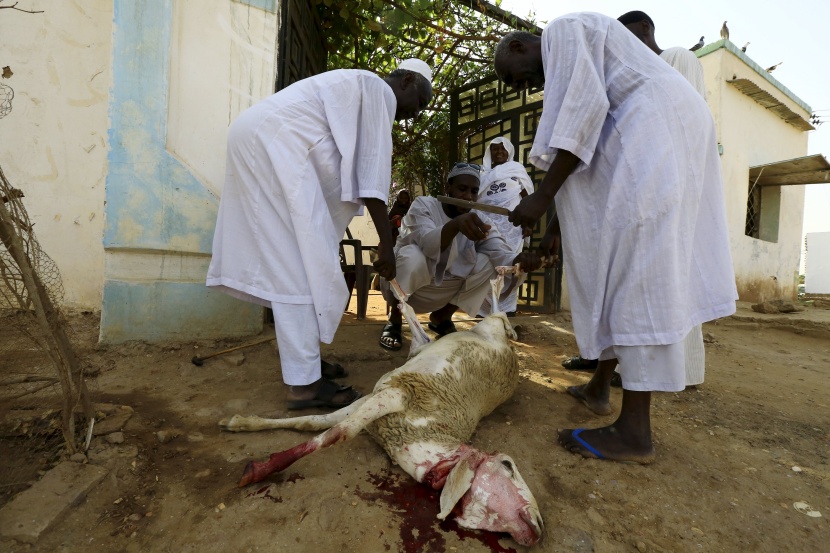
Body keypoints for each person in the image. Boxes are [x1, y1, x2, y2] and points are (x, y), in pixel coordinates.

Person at [494, 13, 737, 464]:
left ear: (519, 46)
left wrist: (541, 198)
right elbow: (588, 166)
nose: (522, 88)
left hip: (656, 130)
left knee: (637, 268)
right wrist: (553, 228)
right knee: (621, 260)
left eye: (514, 78)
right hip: (665, 128)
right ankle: (599, 385)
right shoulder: (588, 49)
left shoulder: (561, 32)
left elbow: (581, 117)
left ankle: (634, 433)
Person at [207, 59, 433, 410]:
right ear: (407, 81)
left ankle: (305, 365)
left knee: (300, 265)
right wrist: (385, 248)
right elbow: (372, 175)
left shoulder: (357, 86)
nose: (415, 114)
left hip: (261, 141)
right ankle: (304, 386)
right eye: (420, 103)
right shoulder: (379, 90)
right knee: (296, 269)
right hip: (272, 146)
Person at [562, 10, 711, 407]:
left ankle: (662, 381)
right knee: (623, 287)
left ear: (644, 30)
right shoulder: (628, 76)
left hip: (665, 185)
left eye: (626, 37)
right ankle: (601, 383)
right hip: (642, 184)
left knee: (653, 293)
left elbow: (683, 124)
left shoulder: (674, 61)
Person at [378, 163, 542, 351]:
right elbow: (428, 244)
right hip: (409, 291)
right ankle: (395, 321)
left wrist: (519, 260)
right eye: (462, 189)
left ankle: (442, 317)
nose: (468, 197)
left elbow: (499, 251)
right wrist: (455, 225)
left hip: (445, 292)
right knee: (412, 254)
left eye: (474, 191)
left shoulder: (480, 218)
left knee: (489, 262)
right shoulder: (424, 205)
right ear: (448, 188)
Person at [475, 137, 535, 316]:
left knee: (511, 266)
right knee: (487, 266)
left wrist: (528, 224)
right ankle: (484, 311)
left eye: (502, 149)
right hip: (488, 226)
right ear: (490, 153)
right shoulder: (483, 173)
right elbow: (477, 200)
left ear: (509, 151)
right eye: (495, 149)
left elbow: (528, 198)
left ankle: (507, 309)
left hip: (512, 229)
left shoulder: (516, 170)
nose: (499, 152)